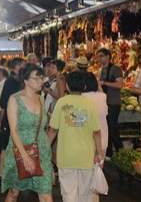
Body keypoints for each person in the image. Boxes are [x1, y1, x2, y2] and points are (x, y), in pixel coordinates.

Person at [48, 71, 104, 202]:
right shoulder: (90, 104)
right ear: (84, 87)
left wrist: (44, 150)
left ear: (67, 86)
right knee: (85, 194)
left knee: (68, 194)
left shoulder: (61, 103)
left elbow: (52, 131)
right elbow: (96, 132)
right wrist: (100, 153)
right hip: (87, 157)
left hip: (66, 157)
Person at [2, 64, 53, 202]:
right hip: (20, 150)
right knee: (14, 192)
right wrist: (25, 156)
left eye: (42, 78)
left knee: (45, 193)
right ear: (25, 80)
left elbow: (44, 127)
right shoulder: (15, 99)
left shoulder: (41, 98)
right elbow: (13, 130)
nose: (41, 81)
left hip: (41, 151)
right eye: (36, 78)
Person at [0, 58, 25, 182]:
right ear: (17, 67)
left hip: (15, 119)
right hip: (11, 119)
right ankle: (2, 173)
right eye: (23, 66)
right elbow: (3, 103)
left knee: (11, 146)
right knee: (6, 146)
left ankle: (6, 173)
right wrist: (0, 121)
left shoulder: (19, 81)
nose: (25, 68)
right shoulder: (11, 82)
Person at [96, 48, 124, 157]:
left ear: (108, 56)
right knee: (107, 128)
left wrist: (104, 83)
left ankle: (120, 151)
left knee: (112, 128)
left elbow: (120, 85)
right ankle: (109, 153)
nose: (99, 58)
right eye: (98, 56)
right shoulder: (101, 69)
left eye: (101, 56)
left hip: (114, 103)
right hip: (105, 103)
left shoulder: (116, 69)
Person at [82, 72, 109, 157]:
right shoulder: (103, 96)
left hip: (86, 141)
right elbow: (101, 91)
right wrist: (97, 82)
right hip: (102, 139)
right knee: (99, 168)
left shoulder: (81, 97)